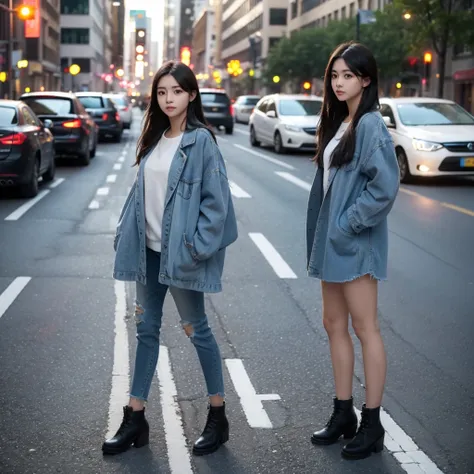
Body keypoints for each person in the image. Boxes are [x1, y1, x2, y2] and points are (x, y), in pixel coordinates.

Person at [104, 60, 238, 456]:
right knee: (145, 331)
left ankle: (218, 416)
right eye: (162, 92)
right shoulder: (155, 138)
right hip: (147, 252)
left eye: (176, 91)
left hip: (181, 256)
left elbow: (217, 205)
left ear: (191, 95)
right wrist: (124, 232)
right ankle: (135, 418)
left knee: (196, 328)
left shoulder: (201, 143)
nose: (168, 99)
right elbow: (141, 193)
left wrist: (197, 248)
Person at [306, 42, 399, 460]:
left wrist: (348, 225)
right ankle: (342, 412)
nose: (339, 82)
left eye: (348, 75)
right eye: (334, 75)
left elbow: (384, 188)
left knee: (365, 328)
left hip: (354, 244)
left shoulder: (371, 126)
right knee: (333, 324)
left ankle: (372, 422)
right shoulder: (341, 123)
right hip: (333, 244)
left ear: (366, 79)